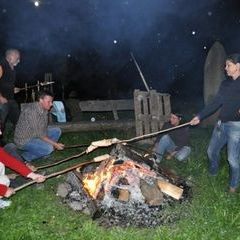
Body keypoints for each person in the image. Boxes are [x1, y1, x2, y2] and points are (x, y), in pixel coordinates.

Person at [190, 53, 240, 193]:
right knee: (211, 151)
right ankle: (213, 173)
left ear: (237, 66)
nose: (225, 68)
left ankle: (233, 187)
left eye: (228, 65)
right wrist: (200, 116)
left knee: (233, 159)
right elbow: (216, 102)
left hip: (236, 127)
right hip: (221, 124)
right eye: (225, 65)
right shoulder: (225, 84)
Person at [14, 91, 65, 162]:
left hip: (35, 134)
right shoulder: (32, 111)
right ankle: (24, 157)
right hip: (24, 140)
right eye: (49, 101)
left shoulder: (44, 108)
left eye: (51, 101)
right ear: (41, 100)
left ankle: (44, 153)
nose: (51, 104)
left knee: (57, 130)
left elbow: (42, 129)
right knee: (49, 148)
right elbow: (39, 134)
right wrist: (55, 144)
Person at [0, 49, 21, 144]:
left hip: (10, 99)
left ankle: (22, 138)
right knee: (1, 123)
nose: (19, 60)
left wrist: (13, 89)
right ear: (10, 56)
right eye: (17, 58)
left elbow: (5, 83)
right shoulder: (2, 65)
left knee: (19, 119)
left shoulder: (12, 68)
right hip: (2, 100)